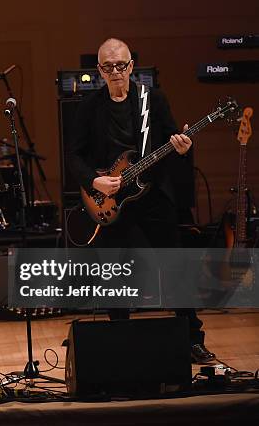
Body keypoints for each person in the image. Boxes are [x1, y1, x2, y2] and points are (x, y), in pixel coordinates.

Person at [66, 38, 215, 364]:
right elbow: (73, 156)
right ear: (100, 70)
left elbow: (174, 141)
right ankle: (120, 340)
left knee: (175, 267)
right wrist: (94, 181)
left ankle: (192, 338)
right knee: (115, 272)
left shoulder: (154, 100)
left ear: (132, 67)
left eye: (122, 65)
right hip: (111, 201)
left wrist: (182, 148)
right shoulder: (88, 108)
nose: (116, 72)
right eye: (109, 67)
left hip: (152, 196)